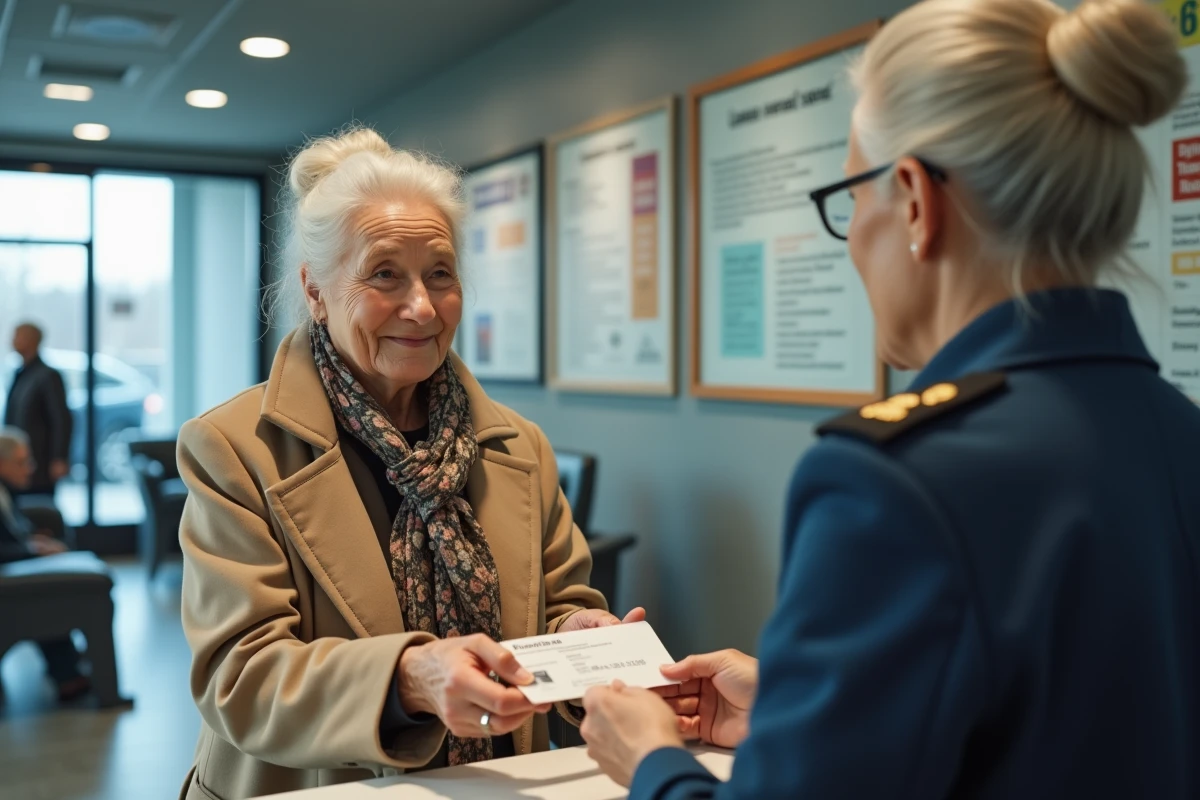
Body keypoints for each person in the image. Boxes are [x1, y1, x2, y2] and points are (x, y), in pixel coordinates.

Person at [579, 0, 1199, 797]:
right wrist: (795, 716)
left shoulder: (898, 481)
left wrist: (652, 761)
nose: (854, 243)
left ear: (913, 200)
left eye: (853, 197)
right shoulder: (1178, 434)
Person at [177, 127, 633, 800]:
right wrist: (410, 678)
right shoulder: (234, 448)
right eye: (384, 273)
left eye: (440, 274)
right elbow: (241, 678)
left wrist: (578, 637)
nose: (421, 307)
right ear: (315, 290)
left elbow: (557, 602)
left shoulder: (519, 445)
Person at [0, 427, 91, 701]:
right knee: (47, 595)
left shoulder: (6, 491)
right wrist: (32, 552)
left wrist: (33, 541)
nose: (30, 468)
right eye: (22, 462)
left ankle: (68, 666)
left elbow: (11, 530)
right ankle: (67, 674)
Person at [4, 323, 73, 499]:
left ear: (32, 340)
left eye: (17, 335)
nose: (12, 340)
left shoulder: (48, 376)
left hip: (39, 461)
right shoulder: (21, 373)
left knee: (39, 506)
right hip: (17, 463)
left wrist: (59, 458)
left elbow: (61, 419)